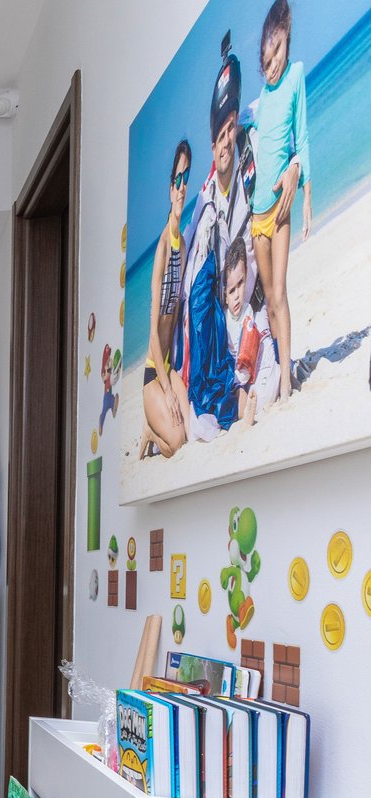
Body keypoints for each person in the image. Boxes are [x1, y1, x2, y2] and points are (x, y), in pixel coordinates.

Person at [176, 35, 256, 440]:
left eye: (231, 129)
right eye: (220, 134)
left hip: (247, 302)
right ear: (212, 143)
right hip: (222, 315)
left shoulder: (247, 165)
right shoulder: (206, 201)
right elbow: (187, 258)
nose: (226, 141)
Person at [249, 0, 312, 399]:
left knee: (280, 293)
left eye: (277, 53)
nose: (272, 65)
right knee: (269, 300)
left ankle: (287, 380)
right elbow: (256, 139)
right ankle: (279, 363)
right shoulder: (261, 98)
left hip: (281, 208)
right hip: (257, 215)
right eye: (266, 60)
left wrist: (304, 193)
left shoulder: (296, 76)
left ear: (287, 38)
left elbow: (301, 139)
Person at [141, 140, 196, 458]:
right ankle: (151, 429)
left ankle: (157, 422)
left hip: (169, 366)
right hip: (153, 373)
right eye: (177, 179)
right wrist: (166, 389)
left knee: (189, 430)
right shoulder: (162, 247)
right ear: (169, 188)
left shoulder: (183, 246)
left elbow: (176, 320)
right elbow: (153, 332)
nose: (182, 187)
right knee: (174, 444)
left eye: (186, 178)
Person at [222, 238, 281, 425]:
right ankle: (246, 412)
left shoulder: (247, 310)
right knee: (237, 394)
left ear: (246, 276)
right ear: (224, 294)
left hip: (248, 372)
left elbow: (247, 354)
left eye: (241, 284)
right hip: (237, 376)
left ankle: (249, 412)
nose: (237, 295)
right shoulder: (223, 318)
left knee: (249, 393)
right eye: (232, 290)